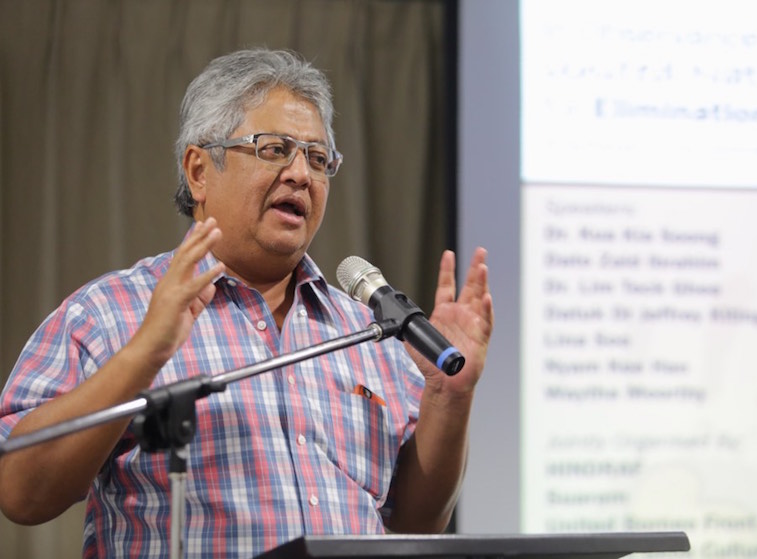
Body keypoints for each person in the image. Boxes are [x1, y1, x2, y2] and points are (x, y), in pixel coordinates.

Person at [0, 48, 493, 557]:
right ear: (199, 171)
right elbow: (20, 490)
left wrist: (448, 397)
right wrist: (145, 353)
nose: (301, 174)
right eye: (275, 149)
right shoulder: (109, 312)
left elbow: (415, 520)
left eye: (318, 159)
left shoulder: (366, 331)